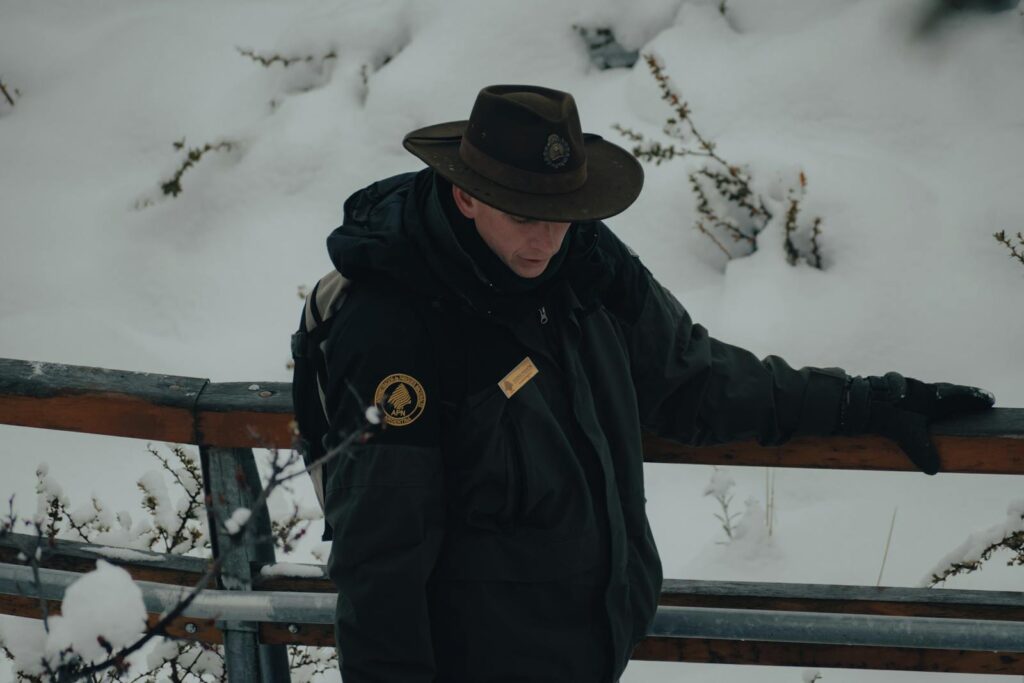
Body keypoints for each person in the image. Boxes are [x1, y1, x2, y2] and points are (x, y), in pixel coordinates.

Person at [315, 84, 994, 683]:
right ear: (466, 194)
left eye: (563, 211)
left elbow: (697, 380)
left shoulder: (586, 261)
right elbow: (381, 565)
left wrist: (863, 400)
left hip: (592, 652)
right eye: (525, 214)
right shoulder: (393, 328)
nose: (546, 239)